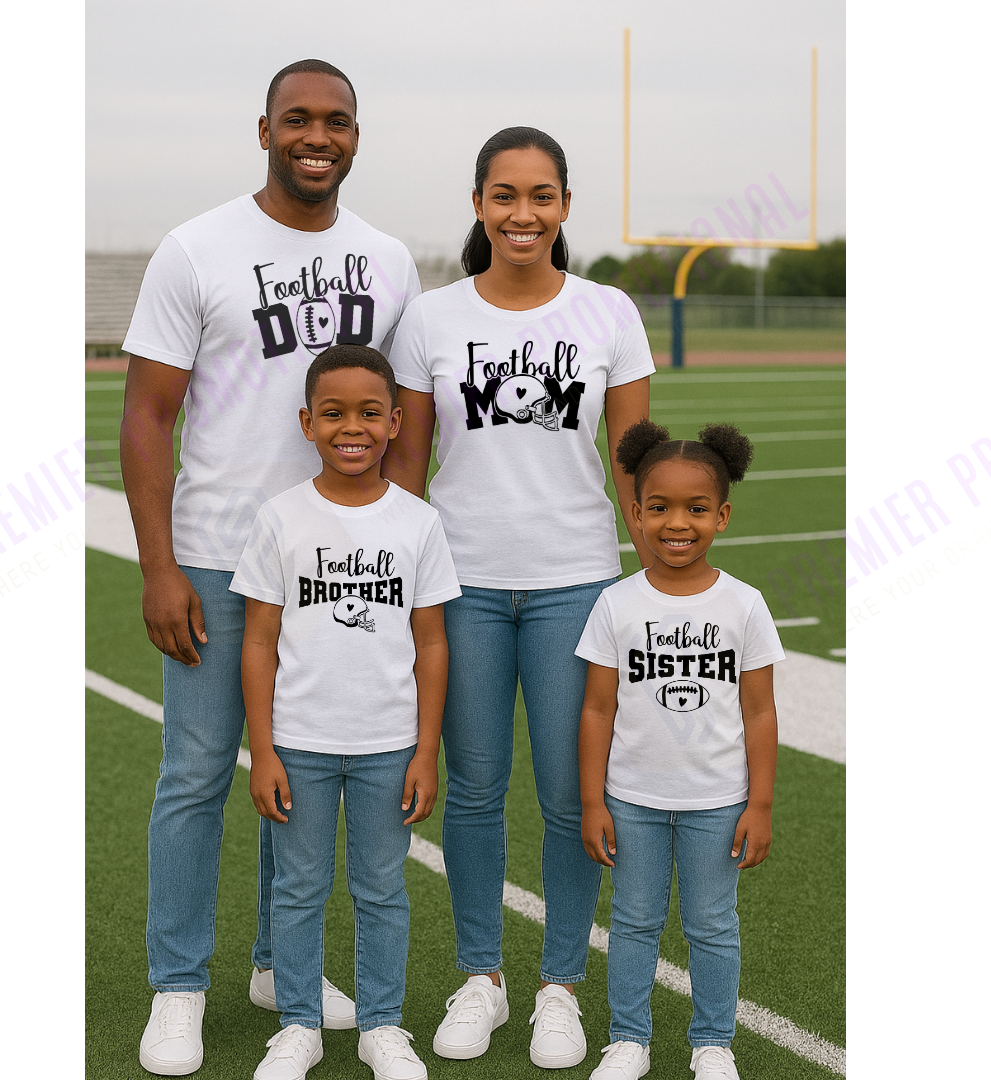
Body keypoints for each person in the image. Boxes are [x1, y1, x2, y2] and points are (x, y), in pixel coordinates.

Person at [120, 60, 422, 1076]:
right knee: (199, 774)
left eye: (337, 121)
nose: (318, 136)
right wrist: (159, 566)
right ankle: (177, 984)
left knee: (293, 772)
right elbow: (148, 415)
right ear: (263, 130)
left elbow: (403, 418)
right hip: (215, 559)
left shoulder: (386, 259)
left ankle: (270, 966)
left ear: (356, 136)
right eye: (299, 119)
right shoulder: (195, 247)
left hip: (340, 568)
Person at [383, 126, 655, 1070]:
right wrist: (391, 588)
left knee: (573, 793)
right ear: (479, 204)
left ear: (566, 207)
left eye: (541, 196)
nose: (523, 214)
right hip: (459, 583)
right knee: (475, 789)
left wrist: (660, 586)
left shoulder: (610, 312)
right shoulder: (429, 318)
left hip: (575, 582)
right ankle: (481, 977)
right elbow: (407, 470)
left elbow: (636, 471)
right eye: (505, 195)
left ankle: (559, 989)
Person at [230, 346, 461, 1080]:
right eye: (333, 413)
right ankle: (298, 1023)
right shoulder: (279, 518)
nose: (350, 428)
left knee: (382, 888)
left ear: (396, 423)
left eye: (368, 413)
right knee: (296, 888)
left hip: (388, 744)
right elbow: (259, 641)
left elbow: (431, 642)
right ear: (306, 422)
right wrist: (262, 750)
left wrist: (426, 751)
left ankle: (382, 1025)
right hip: (298, 741)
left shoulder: (419, 522)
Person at [575, 420, 784, 1080]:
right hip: (631, 801)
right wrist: (591, 802)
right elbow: (598, 708)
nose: (676, 524)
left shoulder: (745, 606)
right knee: (633, 923)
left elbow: (759, 711)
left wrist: (761, 804)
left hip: (717, 803)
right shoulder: (615, 604)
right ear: (635, 512)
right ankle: (628, 1040)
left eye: (696, 509)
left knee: (712, 926)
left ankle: (713, 1043)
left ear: (721, 515)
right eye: (658, 507)